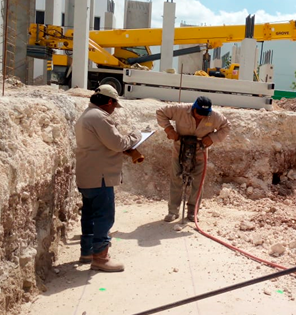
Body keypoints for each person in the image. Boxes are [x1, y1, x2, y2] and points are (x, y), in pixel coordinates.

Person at [75, 84, 145, 272]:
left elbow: (103, 145)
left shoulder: (87, 115)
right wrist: (136, 137)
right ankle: (101, 258)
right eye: (114, 105)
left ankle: (87, 251)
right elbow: (117, 143)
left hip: (88, 174)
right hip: (100, 176)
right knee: (104, 217)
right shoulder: (99, 117)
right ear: (108, 101)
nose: (114, 109)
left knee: (90, 215)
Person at [156, 96, 230, 222]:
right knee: (177, 178)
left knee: (198, 181)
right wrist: (169, 129)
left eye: (204, 115)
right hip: (180, 148)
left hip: (200, 150)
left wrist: (212, 138)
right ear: (194, 109)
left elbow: (226, 127)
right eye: (199, 113)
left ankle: (192, 212)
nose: (201, 116)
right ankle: (173, 211)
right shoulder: (181, 110)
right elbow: (160, 112)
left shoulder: (214, 116)